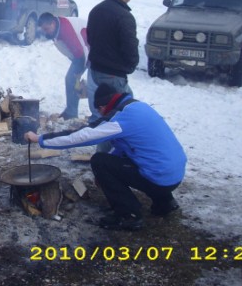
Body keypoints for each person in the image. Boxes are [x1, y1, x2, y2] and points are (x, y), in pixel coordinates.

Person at [24, 83, 186, 231]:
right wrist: (109, 171)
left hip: (158, 176)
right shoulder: (137, 107)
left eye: (99, 111)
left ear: (103, 107)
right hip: (174, 174)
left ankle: (128, 215)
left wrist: (40, 139)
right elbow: (127, 147)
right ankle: (165, 203)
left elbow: (81, 136)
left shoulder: (119, 119)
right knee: (136, 160)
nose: (100, 115)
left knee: (99, 161)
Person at [86, 0, 139, 124]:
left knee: (105, 112)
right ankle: (105, 147)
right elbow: (130, 47)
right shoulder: (124, 17)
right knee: (118, 116)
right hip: (113, 75)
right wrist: (131, 65)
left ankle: (101, 140)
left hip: (95, 71)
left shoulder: (96, 10)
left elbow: (90, 38)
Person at [38, 12, 90, 120]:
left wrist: (78, 73)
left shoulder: (66, 30)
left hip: (93, 51)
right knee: (71, 80)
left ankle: (97, 114)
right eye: (43, 30)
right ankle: (71, 111)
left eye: (46, 29)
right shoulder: (57, 28)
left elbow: (81, 52)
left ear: (53, 23)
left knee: (95, 82)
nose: (45, 33)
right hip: (81, 54)